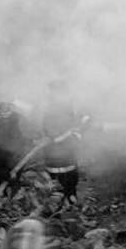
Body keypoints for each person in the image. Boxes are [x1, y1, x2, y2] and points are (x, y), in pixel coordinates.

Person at [42, 80, 87, 210]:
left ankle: (70, 201)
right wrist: (70, 132)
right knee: (58, 182)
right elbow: (53, 136)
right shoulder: (50, 110)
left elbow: (73, 124)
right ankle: (57, 207)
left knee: (71, 178)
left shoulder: (67, 106)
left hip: (68, 151)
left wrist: (79, 125)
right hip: (55, 152)